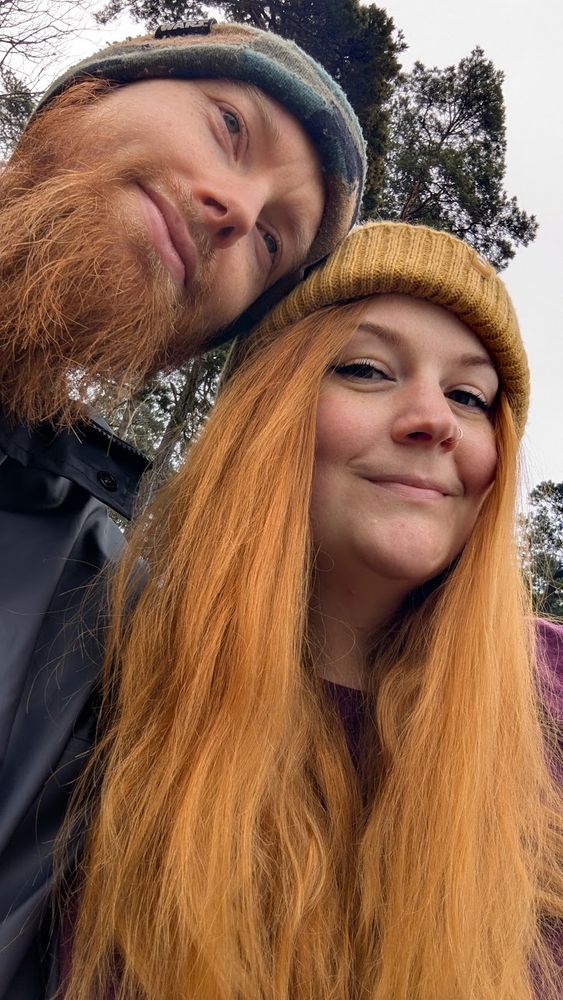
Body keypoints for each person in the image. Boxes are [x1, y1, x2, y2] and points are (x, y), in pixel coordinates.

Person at [62, 222, 562, 999]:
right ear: (265, 412)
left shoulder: (551, 700)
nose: (433, 419)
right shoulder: (90, 666)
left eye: (469, 395)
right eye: (366, 369)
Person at [0, 19, 366, 997]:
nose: (231, 209)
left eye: (273, 241)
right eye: (227, 127)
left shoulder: (105, 629)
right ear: (84, 95)